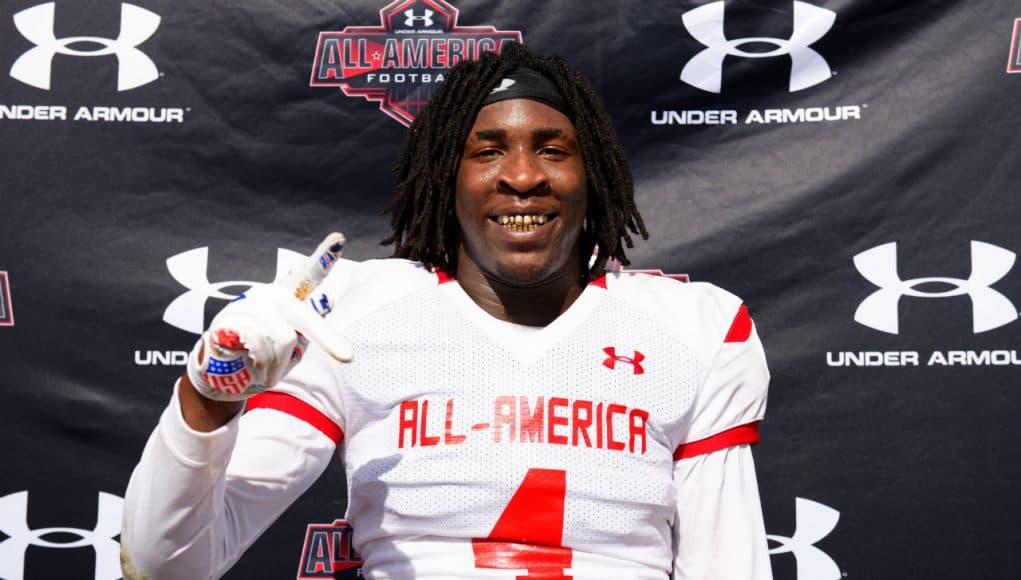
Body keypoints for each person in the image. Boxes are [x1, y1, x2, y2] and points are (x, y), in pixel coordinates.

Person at [121, 42, 772, 579]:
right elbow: (163, 566)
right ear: (445, 178)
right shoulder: (350, 312)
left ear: (593, 174)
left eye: (552, 149)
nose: (522, 176)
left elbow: (727, 567)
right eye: (487, 150)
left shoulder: (693, 328)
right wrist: (207, 398)